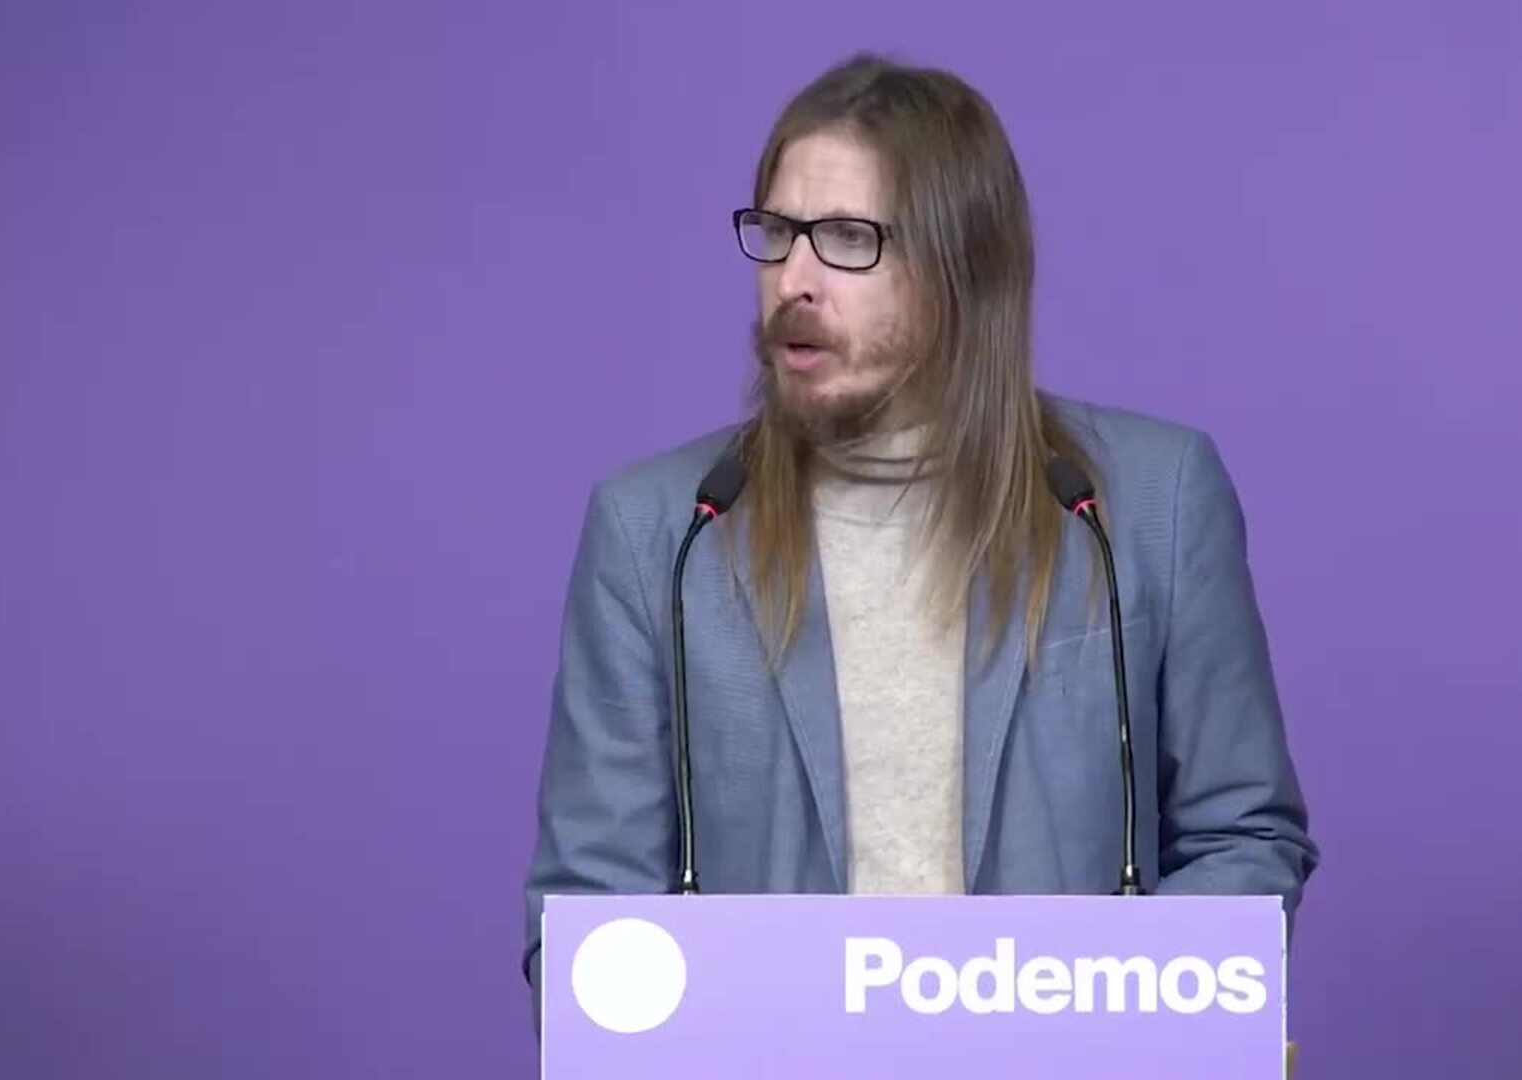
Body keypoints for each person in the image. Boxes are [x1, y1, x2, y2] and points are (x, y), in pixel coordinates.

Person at [520, 52, 1318, 1015]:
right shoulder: (658, 533)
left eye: (846, 238)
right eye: (777, 234)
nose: (793, 280)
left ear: (961, 268)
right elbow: (589, 917)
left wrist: (1107, 1026)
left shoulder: (1149, 503)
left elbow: (1244, 842)